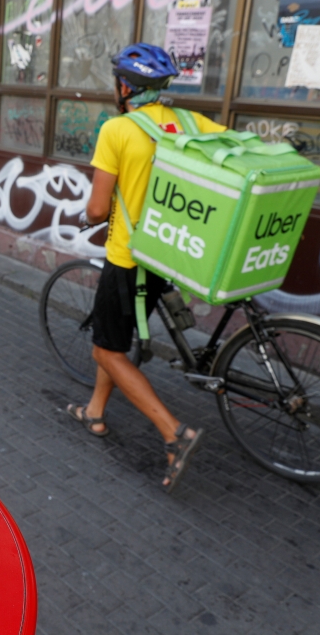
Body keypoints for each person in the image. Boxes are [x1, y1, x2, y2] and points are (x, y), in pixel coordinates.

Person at [68, 43, 225, 493]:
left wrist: (88, 216)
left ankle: (175, 434)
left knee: (106, 352)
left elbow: (98, 209)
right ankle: (95, 411)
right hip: (168, 252)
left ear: (124, 86)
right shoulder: (192, 123)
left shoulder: (117, 129)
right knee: (112, 340)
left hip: (128, 258)